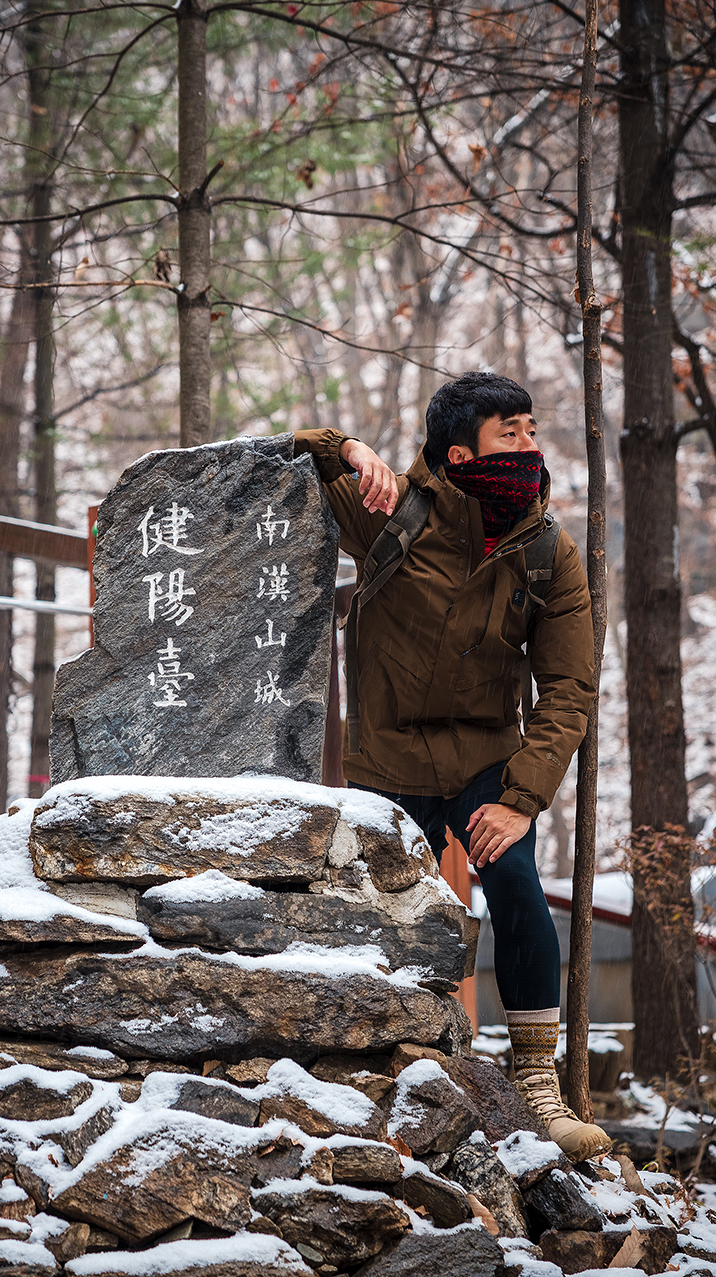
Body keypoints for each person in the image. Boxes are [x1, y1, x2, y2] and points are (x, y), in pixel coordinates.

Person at [295, 370, 611, 1162]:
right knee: (369, 913)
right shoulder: (394, 509)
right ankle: (369, 1073)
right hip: (387, 764)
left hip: (485, 763)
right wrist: (345, 447)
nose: (531, 446)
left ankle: (538, 1084)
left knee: (514, 883)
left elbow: (570, 687)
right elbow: (292, 452)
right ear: (460, 450)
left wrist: (522, 798)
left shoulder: (547, 550)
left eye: (534, 431)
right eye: (513, 433)